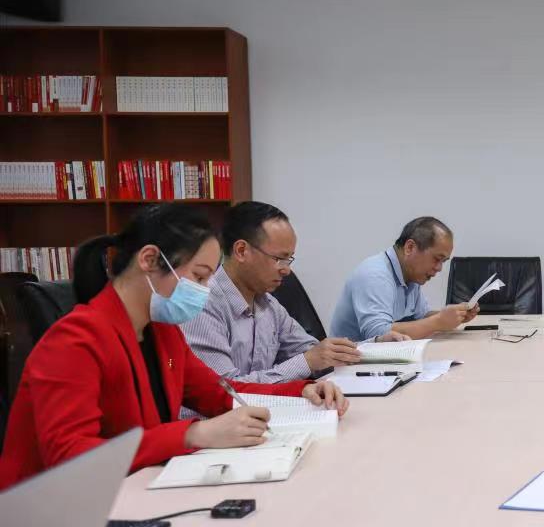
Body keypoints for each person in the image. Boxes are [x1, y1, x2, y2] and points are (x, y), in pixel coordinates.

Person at [0, 205, 348, 489]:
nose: (206, 289)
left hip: (132, 490)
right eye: (198, 276)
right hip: (49, 516)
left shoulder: (162, 332)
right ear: (150, 260)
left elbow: (222, 393)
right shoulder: (74, 340)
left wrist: (301, 391)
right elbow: (71, 456)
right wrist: (193, 434)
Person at [182, 201, 408, 385]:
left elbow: (316, 352)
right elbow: (226, 390)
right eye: (279, 258)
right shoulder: (203, 304)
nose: (286, 270)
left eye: (288, 259)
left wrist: (375, 345)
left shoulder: (268, 304)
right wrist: (307, 362)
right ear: (241, 251)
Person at [330, 216, 477, 340]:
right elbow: (378, 334)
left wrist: (454, 315)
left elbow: (421, 317)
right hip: (350, 363)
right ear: (410, 247)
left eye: (443, 262)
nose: (439, 268)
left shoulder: (411, 275)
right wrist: (438, 321)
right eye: (437, 259)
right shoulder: (374, 275)